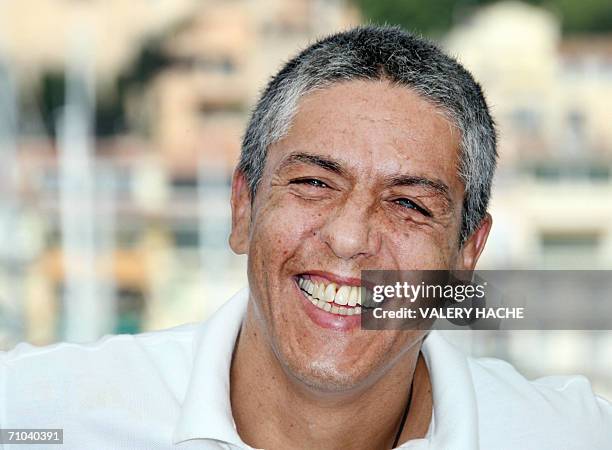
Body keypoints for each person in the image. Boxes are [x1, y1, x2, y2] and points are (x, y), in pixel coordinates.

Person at [1, 25, 610, 450]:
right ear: (243, 208)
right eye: (315, 182)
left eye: (407, 204)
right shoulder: (39, 413)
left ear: (466, 256)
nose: (349, 238)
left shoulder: (569, 436)